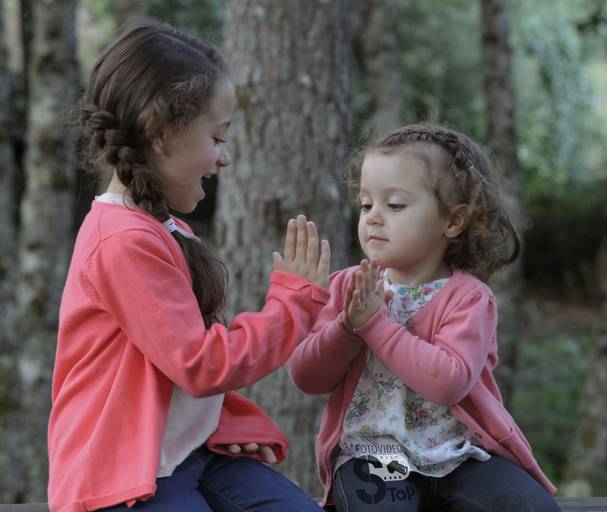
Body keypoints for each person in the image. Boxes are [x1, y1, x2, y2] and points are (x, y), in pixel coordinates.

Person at [48, 22, 330, 512]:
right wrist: (293, 306)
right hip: (124, 473)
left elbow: (171, 371)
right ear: (159, 134)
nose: (225, 158)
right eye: (217, 137)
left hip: (189, 455)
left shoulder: (163, 227)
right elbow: (201, 364)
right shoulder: (123, 241)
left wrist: (222, 425)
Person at [287, 123, 560, 512]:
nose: (373, 217)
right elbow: (306, 377)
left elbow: (448, 382)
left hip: (461, 455)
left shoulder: (469, 298)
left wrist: (375, 325)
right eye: (366, 205)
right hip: (374, 455)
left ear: (452, 221)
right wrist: (347, 327)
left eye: (395, 205)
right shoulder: (350, 287)